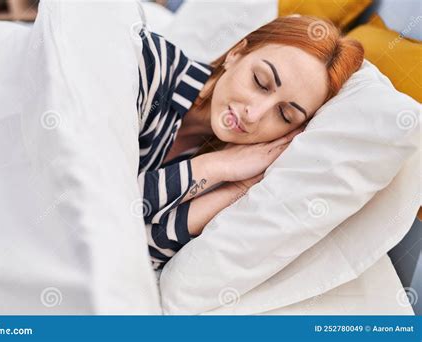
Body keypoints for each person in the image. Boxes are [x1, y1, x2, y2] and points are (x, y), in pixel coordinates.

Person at [136, 16, 364, 270]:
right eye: (260, 82)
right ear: (236, 53)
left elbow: (139, 253)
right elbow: (102, 201)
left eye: (285, 115)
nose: (254, 115)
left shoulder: (230, 170)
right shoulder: (148, 67)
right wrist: (212, 165)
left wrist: (237, 186)